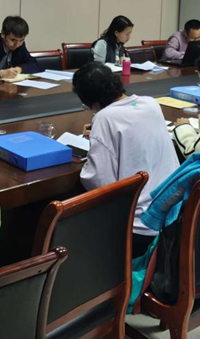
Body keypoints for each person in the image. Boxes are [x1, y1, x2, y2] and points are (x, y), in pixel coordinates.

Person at [73, 63, 179, 258]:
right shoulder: (150, 103)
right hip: (173, 217)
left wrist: (97, 142)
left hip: (137, 227)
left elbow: (99, 182)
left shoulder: (104, 118)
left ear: (93, 103)